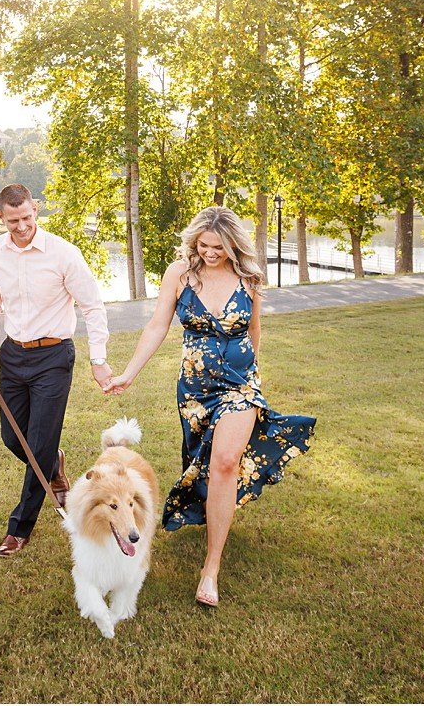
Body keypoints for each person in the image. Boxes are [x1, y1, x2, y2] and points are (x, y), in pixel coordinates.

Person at [106, 205, 315, 607]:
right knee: (202, 462)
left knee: (223, 463)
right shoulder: (180, 274)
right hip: (195, 390)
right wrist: (129, 373)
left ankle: (211, 569)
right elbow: (157, 325)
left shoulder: (249, 278)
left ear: (233, 244)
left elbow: (254, 332)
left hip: (240, 387)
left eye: (218, 247)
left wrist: (254, 383)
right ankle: (211, 513)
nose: (209, 253)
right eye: (203, 245)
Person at [0, 184, 114, 557]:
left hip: (54, 357)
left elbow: (93, 307)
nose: (21, 227)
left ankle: (19, 528)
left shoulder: (63, 253)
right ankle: (54, 464)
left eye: (26, 218)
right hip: (12, 357)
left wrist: (98, 359)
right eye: (12, 221)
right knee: (12, 437)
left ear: (35, 209)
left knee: (35, 445)